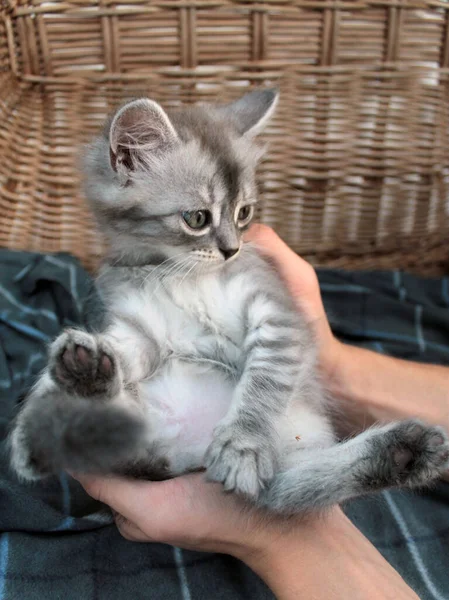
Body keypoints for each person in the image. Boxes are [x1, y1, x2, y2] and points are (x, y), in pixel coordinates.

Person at [73, 225, 449, 600]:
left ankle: (325, 473)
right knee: (288, 440)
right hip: (191, 396)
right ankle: (328, 470)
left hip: (202, 404)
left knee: (289, 440)